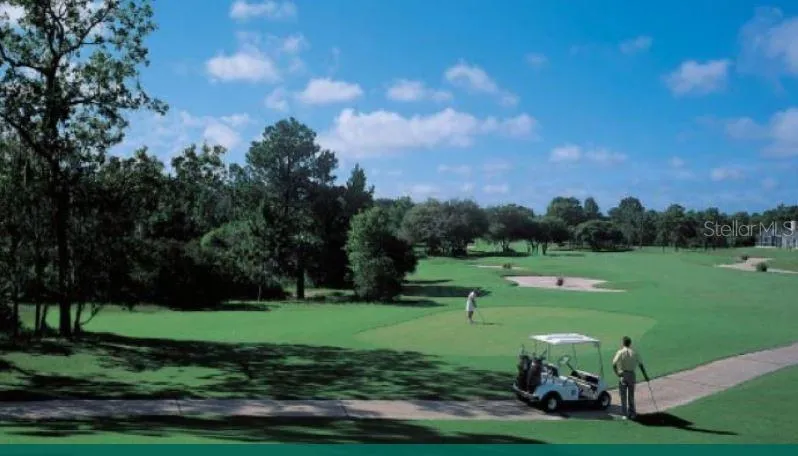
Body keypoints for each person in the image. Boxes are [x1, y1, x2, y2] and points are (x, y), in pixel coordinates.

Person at [611, 336, 650, 420]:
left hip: (623, 375)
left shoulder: (620, 352)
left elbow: (613, 364)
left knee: (623, 395)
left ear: (623, 343)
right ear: (630, 343)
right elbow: (641, 365)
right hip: (632, 375)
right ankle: (632, 413)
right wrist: (646, 376)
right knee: (631, 395)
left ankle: (624, 414)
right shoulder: (634, 352)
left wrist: (617, 373)